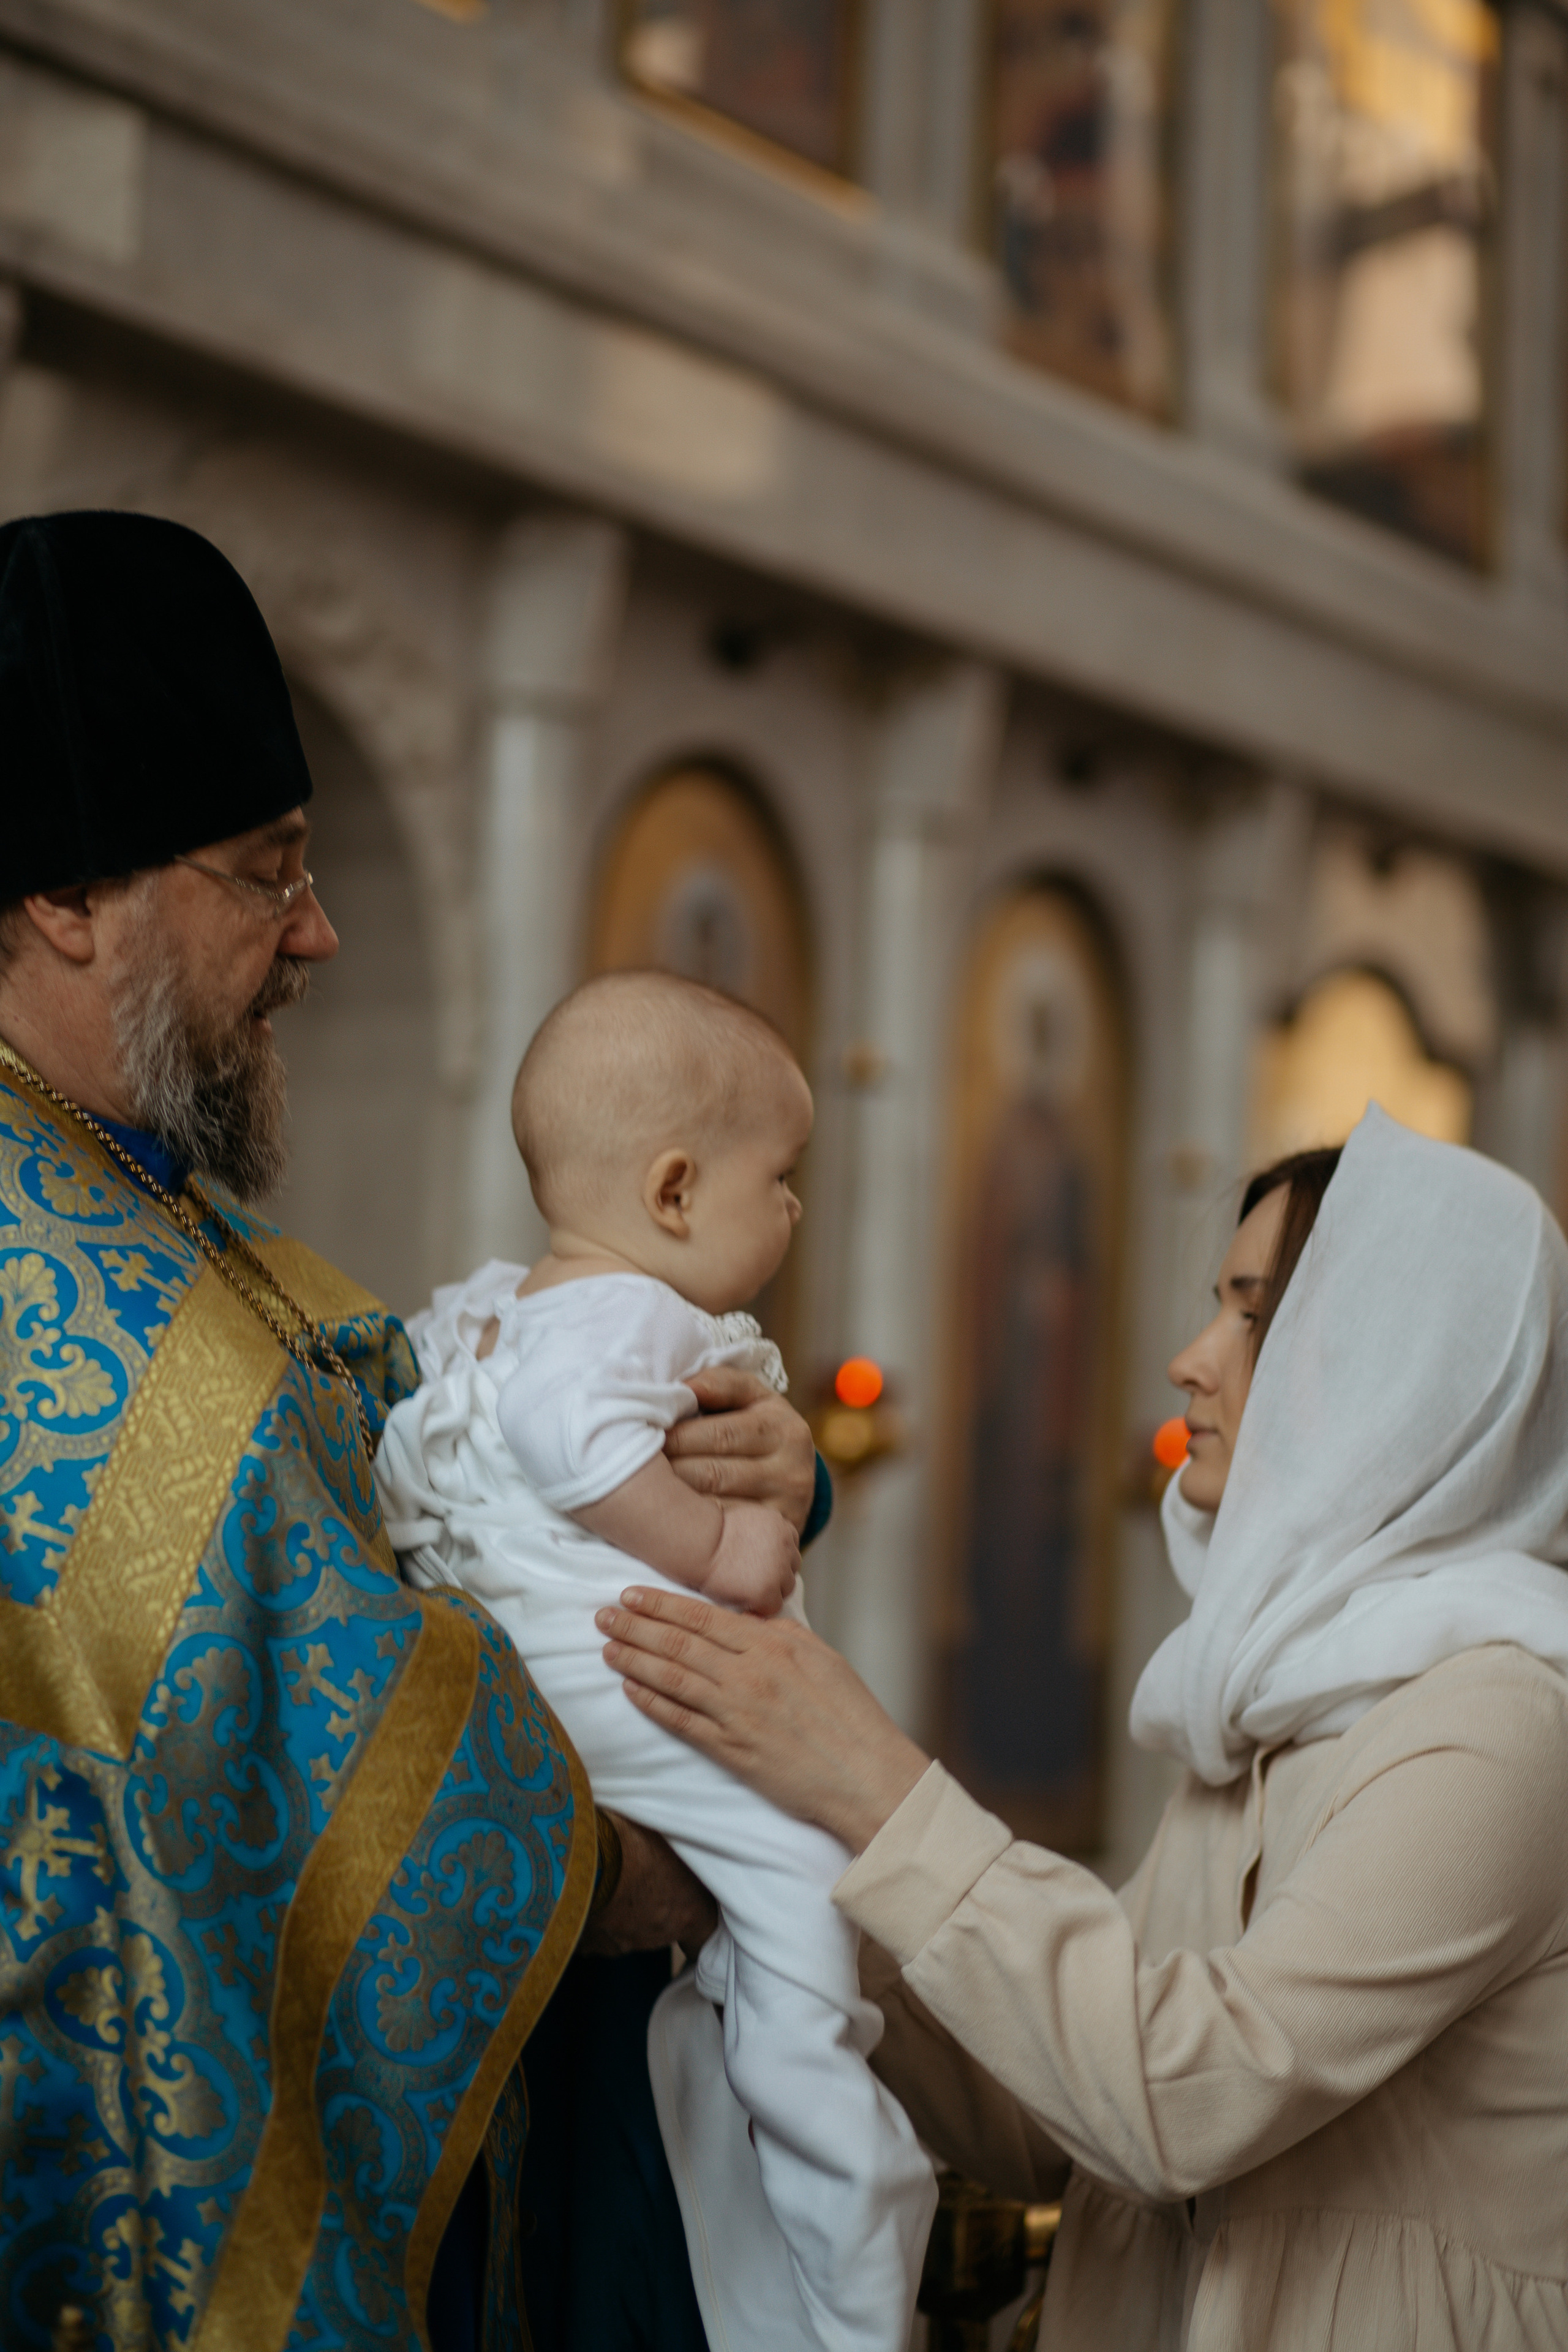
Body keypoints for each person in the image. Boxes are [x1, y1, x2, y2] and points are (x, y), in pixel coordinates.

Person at [0, 509, 807, 2352]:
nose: (320, 929)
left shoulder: (154, 1213)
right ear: (71, 900)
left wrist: (746, 1462)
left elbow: (440, 1439)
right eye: (266, 873)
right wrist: (634, 1866)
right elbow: (264, 1716)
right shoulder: (33, 1267)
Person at [601, 1105, 1568, 2351]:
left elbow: (1178, 2098)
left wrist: (873, 1784)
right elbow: (1050, 2116)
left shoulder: (1500, 1725)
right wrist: (775, 1873)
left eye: (1254, 1317)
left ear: (1405, 1367)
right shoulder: (1277, 1702)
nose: (1190, 1359)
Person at [375, 972, 937, 2352]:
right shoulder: (624, 1318)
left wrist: (786, 1483)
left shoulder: (501, 1306)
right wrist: (727, 1543)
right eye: (781, 1180)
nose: (792, 1209)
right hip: (622, 1689)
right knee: (813, 1896)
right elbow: (573, 1443)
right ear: (674, 1191)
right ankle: (855, 2266)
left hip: (557, 1689)